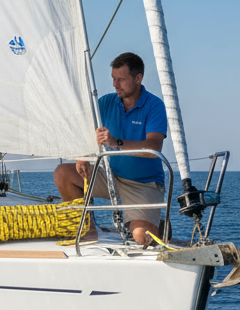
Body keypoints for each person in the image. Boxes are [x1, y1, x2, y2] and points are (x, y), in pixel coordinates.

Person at [53, 52, 167, 245]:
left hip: (143, 184)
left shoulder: (154, 105)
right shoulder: (106, 102)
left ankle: (159, 227)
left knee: (141, 237)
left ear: (138, 78)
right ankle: (88, 231)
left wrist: (116, 142)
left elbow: (154, 147)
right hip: (110, 176)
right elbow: (85, 131)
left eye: (121, 79)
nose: (115, 84)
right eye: (114, 79)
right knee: (63, 173)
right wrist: (82, 155)